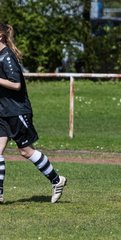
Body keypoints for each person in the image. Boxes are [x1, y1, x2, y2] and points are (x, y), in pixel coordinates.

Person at [0, 23, 67, 204]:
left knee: (26, 151)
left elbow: (16, 85)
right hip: (3, 112)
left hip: (17, 111)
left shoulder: (7, 57)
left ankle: (56, 180)